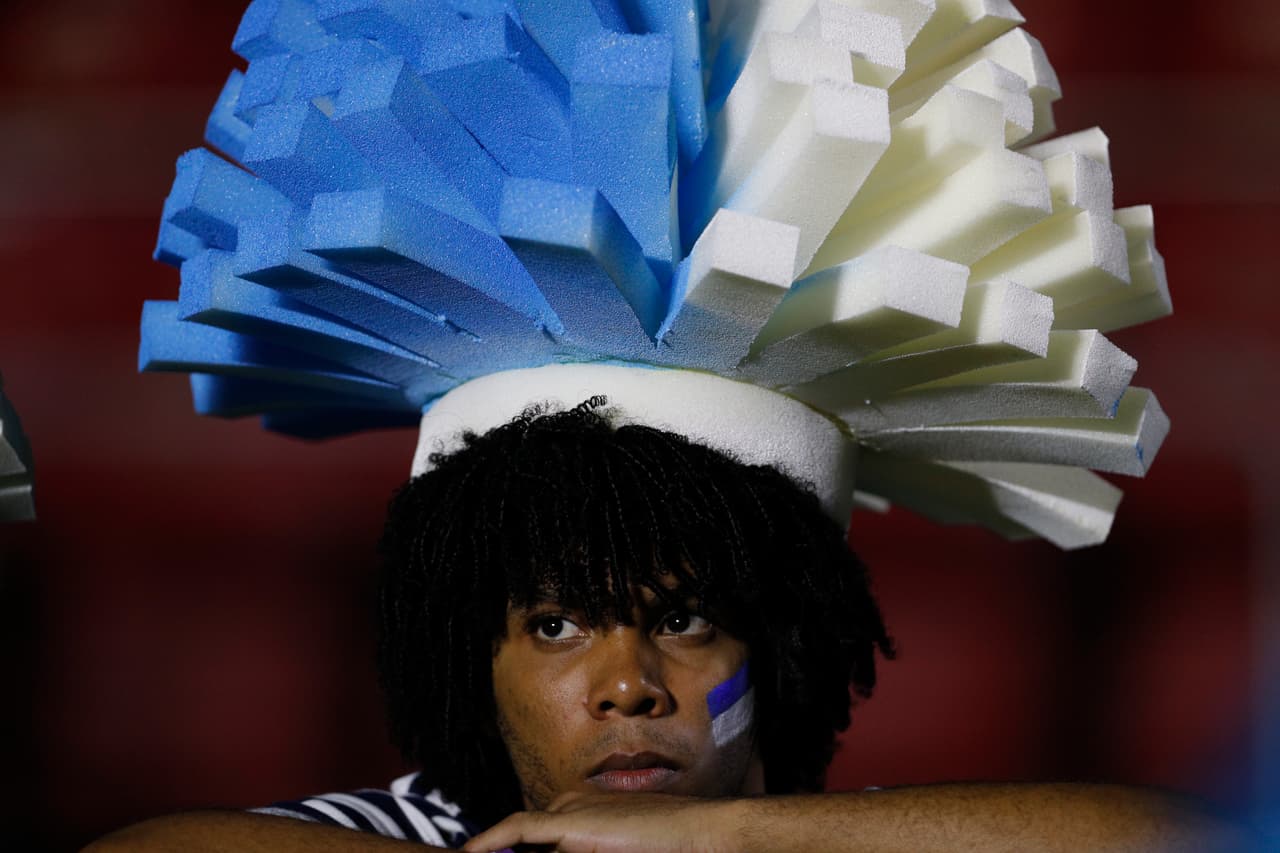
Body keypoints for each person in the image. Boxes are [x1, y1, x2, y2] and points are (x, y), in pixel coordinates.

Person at [87, 402, 1257, 852]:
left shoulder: (823, 841)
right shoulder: (388, 832)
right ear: (471, 665)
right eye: (553, 626)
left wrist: (726, 839)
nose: (627, 684)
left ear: (776, 652)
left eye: (685, 621)